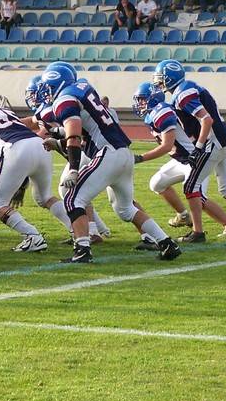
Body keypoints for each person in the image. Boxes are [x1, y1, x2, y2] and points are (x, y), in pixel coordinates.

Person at [39, 63, 181, 263]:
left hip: (108, 154)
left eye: (49, 86)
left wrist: (72, 168)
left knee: (72, 199)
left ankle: (82, 250)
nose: (47, 91)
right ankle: (167, 243)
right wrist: (57, 138)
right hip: (123, 153)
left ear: (56, 82)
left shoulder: (64, 99)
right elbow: (86, 130)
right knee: (126, 209)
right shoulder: (82, 89)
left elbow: (75, 136)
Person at [153, 60, 226, 244]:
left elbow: (206, 120)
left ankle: (197, 232)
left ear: (169, 77)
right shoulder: (189, 88)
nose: (158, 81)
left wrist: (198, 146)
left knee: (191, 186)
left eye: (160, 78)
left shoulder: (182, 94)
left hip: (215, 142)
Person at [0, 93, 70, 252]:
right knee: (44, 197)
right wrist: (22, 187)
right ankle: (77, 231)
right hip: (41, 146)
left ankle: (33, 237)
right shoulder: (6, 112)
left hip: (15, 149)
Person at [130, 82, 226, 244]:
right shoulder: (153, 113)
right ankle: (183, 216)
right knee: (157, 183)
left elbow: (166, 146)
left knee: (198, 197)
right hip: (181, 160)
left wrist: (140, 158)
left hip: (194, 160)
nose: (139, 104)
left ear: (153, 98)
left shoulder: (162, 111)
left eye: (142, 99)